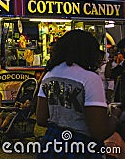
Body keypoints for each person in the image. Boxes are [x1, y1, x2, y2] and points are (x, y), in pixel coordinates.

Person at [36, 30, 120, 158]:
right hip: (81, 148)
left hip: (51, 144)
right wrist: (115, 116)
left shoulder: (49, 75)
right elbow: (99, 131)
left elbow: (41, 119)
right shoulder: (90, 78)